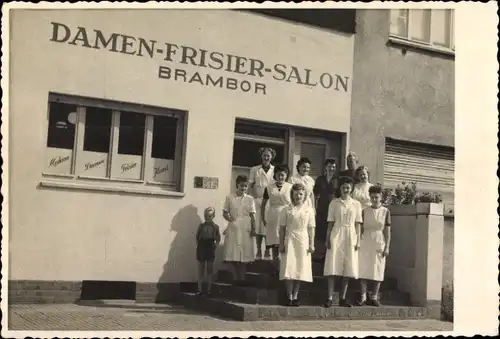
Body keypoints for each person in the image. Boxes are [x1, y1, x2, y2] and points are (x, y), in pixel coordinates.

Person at [323, 177, 362, 308]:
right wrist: (327, 239)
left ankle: (343, 298)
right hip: (337, 233)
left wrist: (358, 241)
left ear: (351, 189)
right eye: (343, 188)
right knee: (333, 266)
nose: (345, 190)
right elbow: (330, 223)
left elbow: (358, 224)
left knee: (347, 267)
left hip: (351, 235)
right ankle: (329, 297)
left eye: (348, 188)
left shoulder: (356, 204)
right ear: (340, 189)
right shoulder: (334, 203)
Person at [279, 183, 315, 307]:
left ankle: (295, 296)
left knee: (300, 268)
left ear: (304, 195)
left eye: (301, 194)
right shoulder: (286, 209)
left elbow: (311, 228)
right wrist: (281, 244)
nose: (298, 196)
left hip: (303, 239)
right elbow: (282, 228)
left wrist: (312, 243)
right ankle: (289, 296)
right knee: (289, 267)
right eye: (296, 194)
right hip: (290, 238)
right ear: (292, 195)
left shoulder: (308, 210)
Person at [357, 185, 392, 307]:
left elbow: (387, 232)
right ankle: (363, 296)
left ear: (381, 197)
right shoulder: (364, 211)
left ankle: (374, 296)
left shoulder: (385, 212)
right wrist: (357, 243)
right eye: (372, 197)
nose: (374, 199)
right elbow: (360, 230)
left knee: (378, 269)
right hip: (365, 241)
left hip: (379, 241)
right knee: (363, 269)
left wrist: (387, 247)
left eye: (376, 197)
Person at [222, 175, 257, 286]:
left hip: (246, 227)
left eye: (246, 186)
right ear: (237, 185)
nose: (243, 188)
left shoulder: (250, 199)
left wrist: (253, 229)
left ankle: (241, 279)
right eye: (242, 185)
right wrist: (230, 220)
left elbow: (252, 215)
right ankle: (236, 277)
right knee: (233, 254)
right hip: (234, 227)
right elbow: (225, 212)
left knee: (244, 254)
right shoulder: (230, 197)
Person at [261, 164, 292, 274]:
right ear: (275, 175)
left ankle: (284, 267)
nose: (281, 177)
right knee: (274, 241)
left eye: (283, 175)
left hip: (286, 214)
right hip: (273, 215)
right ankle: (275, 266)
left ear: (286, 175)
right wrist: (263, 217)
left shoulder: (290, 187)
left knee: (284, 240)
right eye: (279, 175)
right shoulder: (269, 187)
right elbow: (264, 204)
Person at [249, 147, 276, 260]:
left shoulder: (274, 170)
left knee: (267, 227)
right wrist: (251, 198)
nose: (266, 157)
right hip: (257, 200)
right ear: (261, 156)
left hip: (269, 202)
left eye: (268, 156)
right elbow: (250, 185)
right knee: (258, 227)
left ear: (271, 157)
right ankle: (259, 251)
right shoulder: (255, 169)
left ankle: (267, 251)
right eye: (264, 155)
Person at [313, 158, 339, 262]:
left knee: (332, 230)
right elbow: (315, 194)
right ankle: (321, 255)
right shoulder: (320, 179)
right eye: (329, 166)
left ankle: (330, 256)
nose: (331, 168)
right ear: (325, 167)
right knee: (321, 231)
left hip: (333, 208)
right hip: (322, 209)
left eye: (333, 167)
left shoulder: (337, 180)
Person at [195, 207, 221, 296]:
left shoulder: (215, 227)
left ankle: (209, 289)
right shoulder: (201, 226)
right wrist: (198, 246)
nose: (207, 218)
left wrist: (215, 246)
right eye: (206, 216)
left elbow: (218, 238)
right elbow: (197, 237)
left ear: (213, 216)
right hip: (202, 247)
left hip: (210, 246)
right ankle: (200, 289)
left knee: (210, 269)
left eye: (210, 216)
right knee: (201, 268)